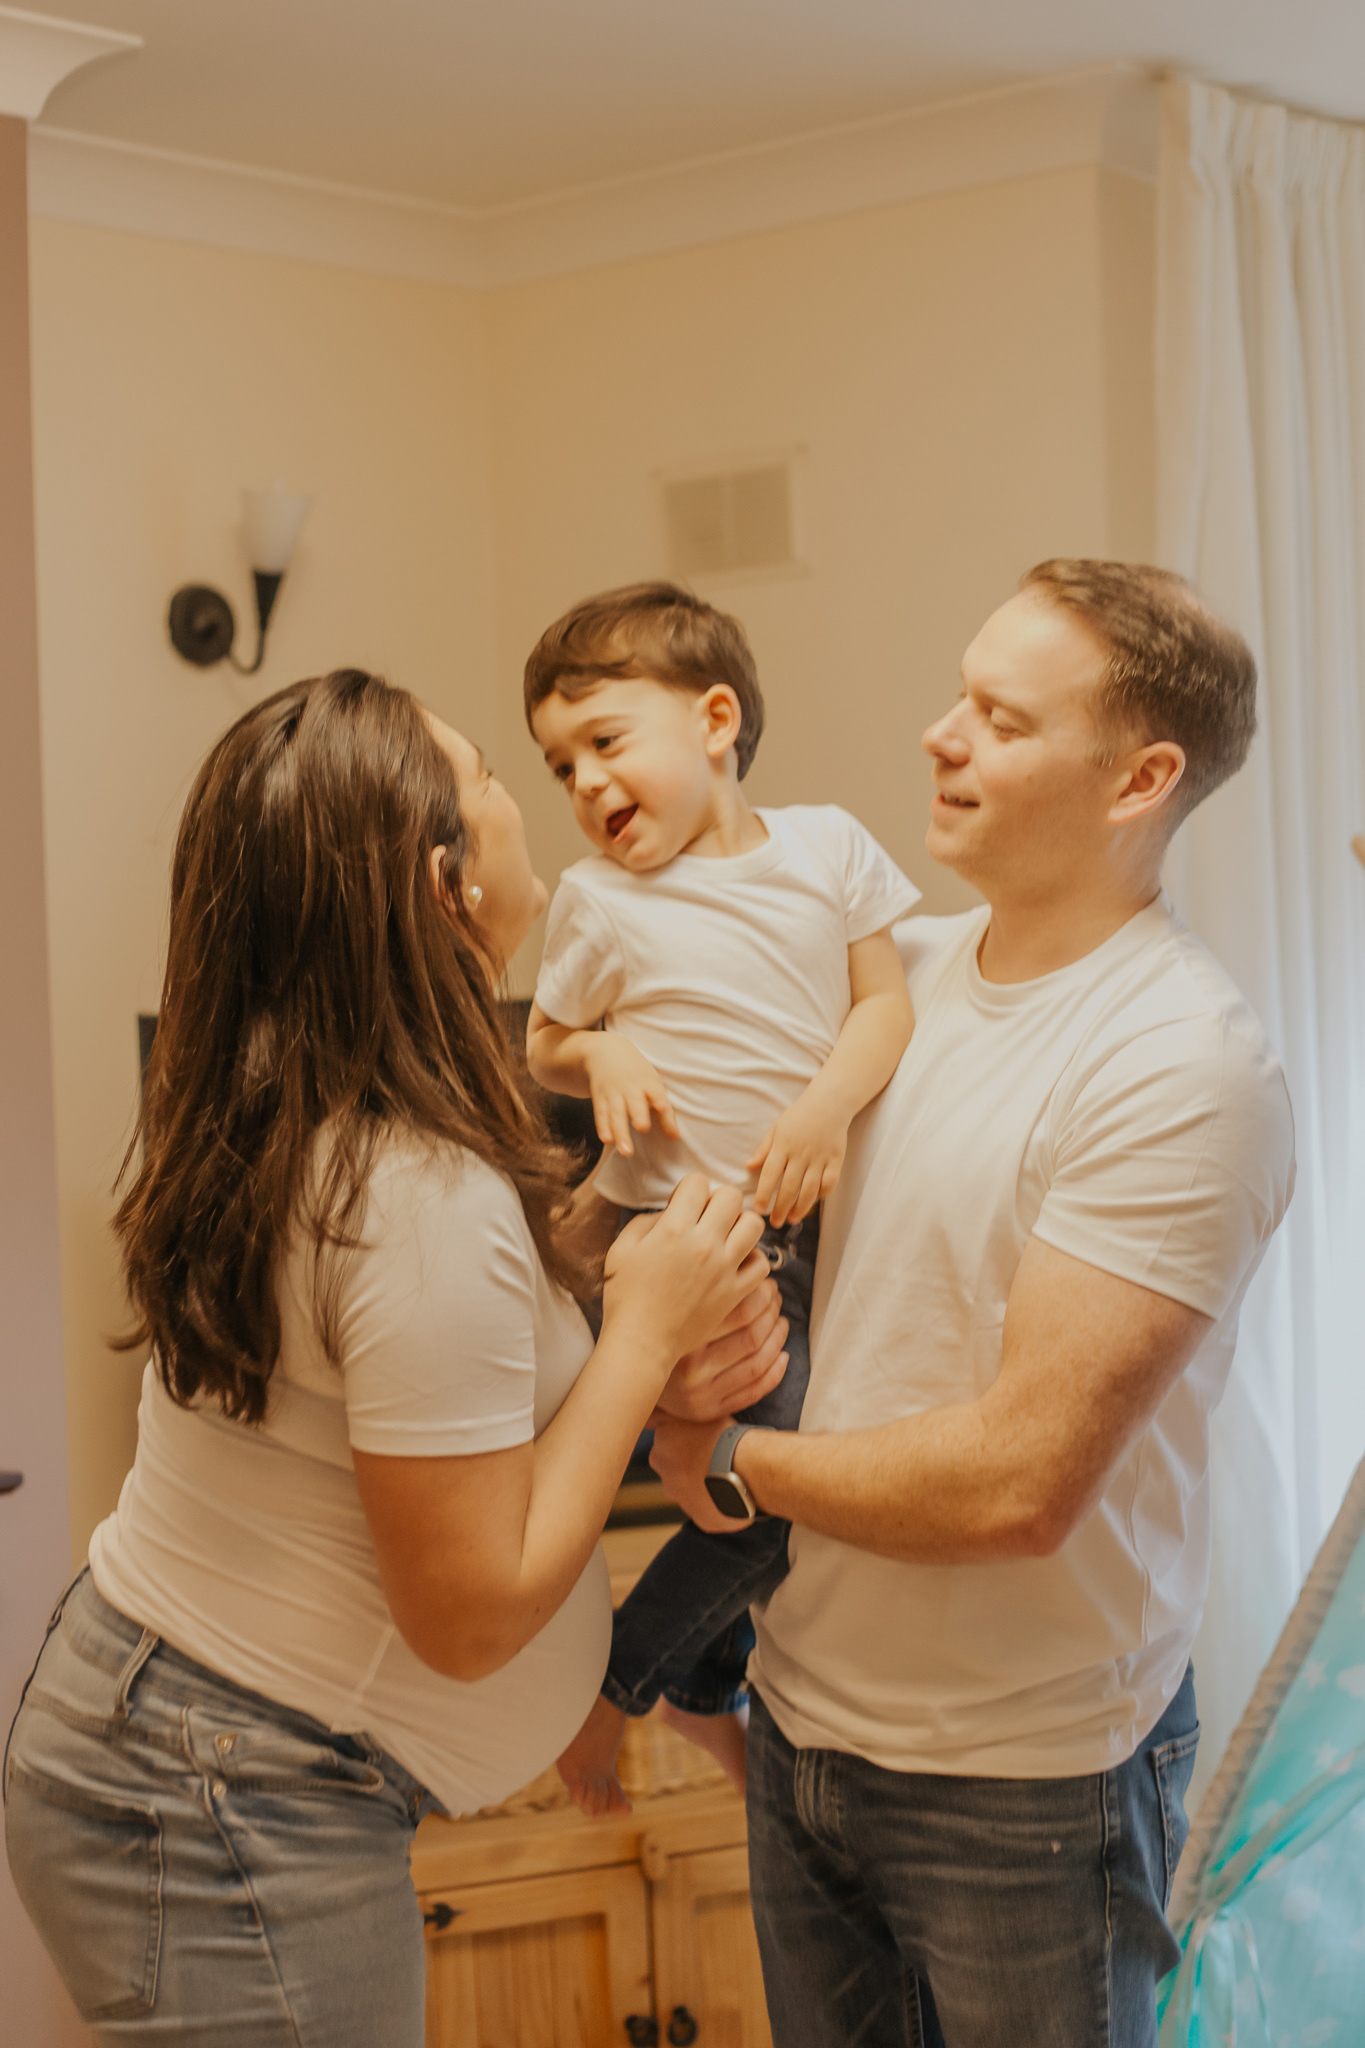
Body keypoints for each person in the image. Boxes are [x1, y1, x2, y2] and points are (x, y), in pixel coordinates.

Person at [3, 669, 777, 2048]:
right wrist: (646, 1332)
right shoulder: (413, 1195)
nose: (522, 801)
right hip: (230, 1789)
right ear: (441, 881)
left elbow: (436, 1359)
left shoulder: (300, 1109)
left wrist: (625, 1303)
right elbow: (470, 1615)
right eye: (490, 776)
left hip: (177, 1737)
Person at [650, 561, 1297, 2048]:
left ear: (1139, 780)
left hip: (1028, 1783)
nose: (940, 734)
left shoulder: (1181, 1065)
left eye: (1002, 719)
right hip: (802, 1724)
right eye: (961, 695)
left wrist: (729, 1463)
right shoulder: (898, 987)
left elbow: (1019, 1482)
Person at [522, 582, 919, 1810]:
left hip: (812, 1233)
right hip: (684, 1244)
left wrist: (823, 1107)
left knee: (772, 1492)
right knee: (773, 1499)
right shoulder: (599, 898)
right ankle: (618, 1687)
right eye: (560, 766)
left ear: (714, 720)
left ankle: (701, 1685)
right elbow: (545, 1040)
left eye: (605, 741)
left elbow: (885, 1005)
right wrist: (602, 1054)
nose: (585, 783)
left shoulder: (829, 847)